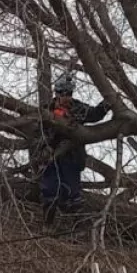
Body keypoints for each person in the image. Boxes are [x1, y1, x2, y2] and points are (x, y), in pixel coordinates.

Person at [40, 72, 109, 223]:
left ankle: (74, 230)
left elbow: (95, 114)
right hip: (51, 158)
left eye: (69, 93)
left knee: (72, 195)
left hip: (72, 158)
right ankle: (47, 225)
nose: (67, 97)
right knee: (50, 192)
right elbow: (38, 133)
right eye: (64, 93)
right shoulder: (46, 110)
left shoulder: (78, 108)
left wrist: (107, 102)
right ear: (57, 93)